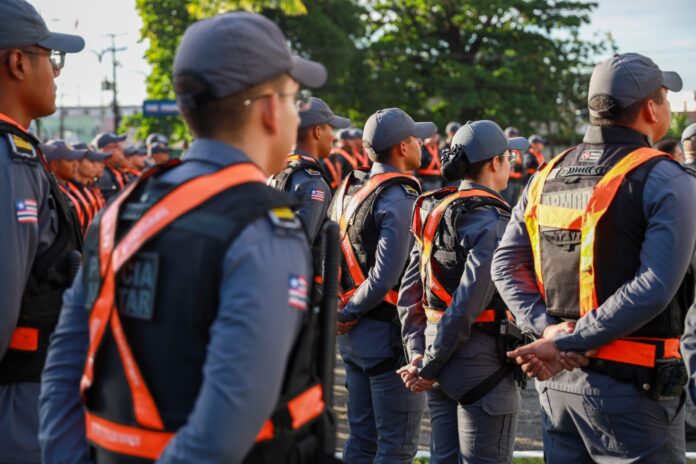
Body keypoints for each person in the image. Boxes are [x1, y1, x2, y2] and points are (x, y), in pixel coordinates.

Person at [39, 11, 331, 464]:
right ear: (271, 110)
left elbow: (64, 368)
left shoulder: (121, 211)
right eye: (295, 99)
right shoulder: (263, 228)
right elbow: (225, 429)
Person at [494, 52, 696, 462]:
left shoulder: (546, 174)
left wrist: (547, 331)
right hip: (633, 391)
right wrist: (565, 339)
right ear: (651, 108)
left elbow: (506, 265)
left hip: (558, 384)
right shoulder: (665, 177)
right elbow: (654, 286)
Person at [398, 120, 529, 463]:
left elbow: (410, 292)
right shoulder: (494, 220)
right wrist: (428, 363)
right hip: (479, 363)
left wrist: (418, 354)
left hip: (435, 353)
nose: (512, 163)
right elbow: (467, 304)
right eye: (509, 157)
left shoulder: (435, 208)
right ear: (494, 162)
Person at [0, 1, 84, 461]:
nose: (56, 70)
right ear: (17, 63)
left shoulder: (18, 153)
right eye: (50, 57)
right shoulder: (10, 160)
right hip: (18, 392)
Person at [329, 107, 435, 463]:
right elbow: (386, 277)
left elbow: (329, 256)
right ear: (402, 147)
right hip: (386, 337)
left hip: (353, 336)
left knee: (361, 441)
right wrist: (349, 312)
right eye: (416, 139)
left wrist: (341, 311)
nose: (422, 144)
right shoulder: (400, 196)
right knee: (395, 447)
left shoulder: (349, 188)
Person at [268, 96, 346, 243]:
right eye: (331, 128)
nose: (333, 137)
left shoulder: (275, 171)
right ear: (318, 131)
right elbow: (299, 246)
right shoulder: (313, 183)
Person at [42, 140, 93, 233]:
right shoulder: (50, 193)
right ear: (54, 164)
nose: (76, 164)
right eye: (70, 160)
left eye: (76, 159)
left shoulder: (72, 187)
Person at [73, 142, 109, 218]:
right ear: (77, 162)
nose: (95, 165)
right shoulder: (70, 191)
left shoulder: (90, 186)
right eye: (92, 161)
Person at [92, 132, 128, 201]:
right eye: (116, 146)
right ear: (104, 150)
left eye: (120, 146)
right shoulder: (102, 175)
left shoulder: (115, 170)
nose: (121, 149)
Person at [500, 126, 525, 205]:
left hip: (517, 182)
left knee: (514, 205)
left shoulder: (517, 151)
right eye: (512, 136)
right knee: (506, 204)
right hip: (508, 182)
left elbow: (520, 166)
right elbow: (510, 165)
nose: (515, 138)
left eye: (515, 136)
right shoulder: (505, 150)